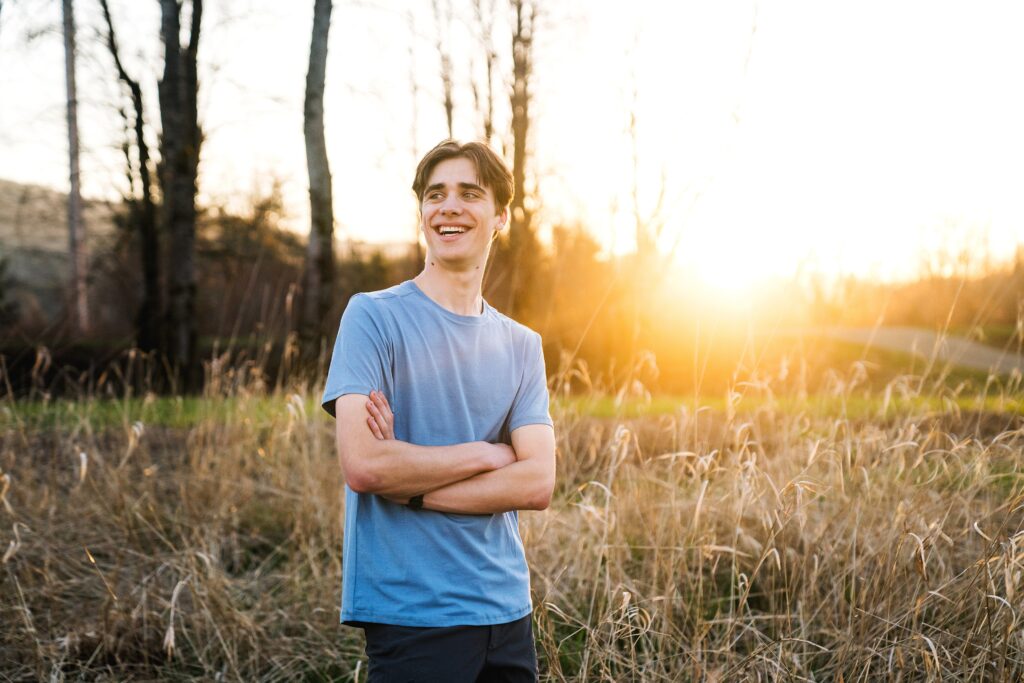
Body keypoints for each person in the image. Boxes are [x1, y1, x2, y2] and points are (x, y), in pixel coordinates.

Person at [321, 139, 556, 682]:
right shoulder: (372, 318)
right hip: (413, 615)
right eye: (434, 194)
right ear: (422, 213)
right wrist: (488, 453)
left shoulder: (523, 344)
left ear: (500, 216)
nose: (448, 206)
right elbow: (366, 467)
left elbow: (537, 482)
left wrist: (415, 487)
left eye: (468, 193)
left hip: (507, 611)